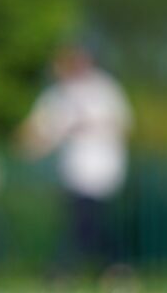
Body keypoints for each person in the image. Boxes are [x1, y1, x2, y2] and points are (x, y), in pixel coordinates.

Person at [17, 45, 132, 274]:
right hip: (74, 171)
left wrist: (88, 127)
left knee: (86, 220)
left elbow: (122, 124)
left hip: (103, 168)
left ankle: (66, 267)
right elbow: (37, 129)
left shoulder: (104, 89)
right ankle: (112, 265)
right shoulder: (58, 95)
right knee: (87, 221)